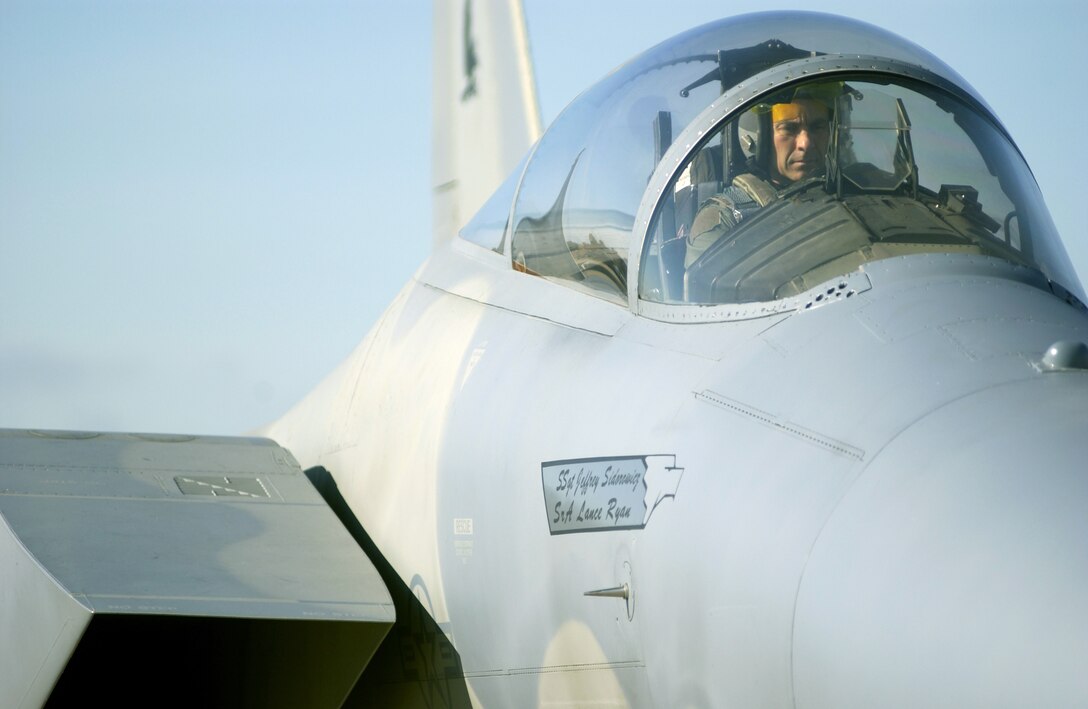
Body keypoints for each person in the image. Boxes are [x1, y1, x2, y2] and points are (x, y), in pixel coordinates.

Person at [684, 88, 833, 267]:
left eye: (817, 127)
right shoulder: (724, 220)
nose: (806, 143)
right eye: (789, 129)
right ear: (758, 136)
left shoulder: (850, 193)